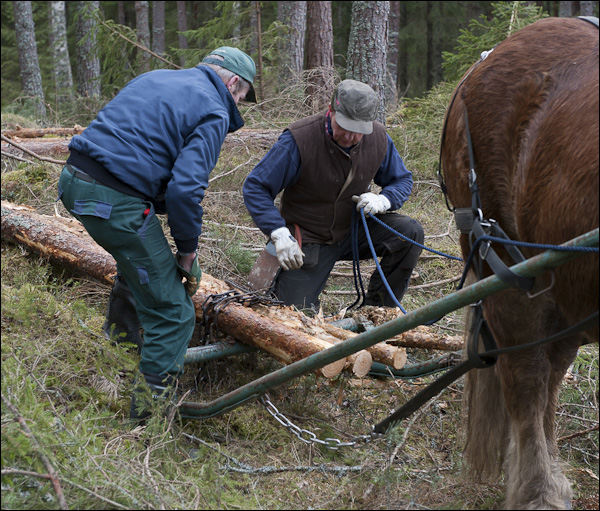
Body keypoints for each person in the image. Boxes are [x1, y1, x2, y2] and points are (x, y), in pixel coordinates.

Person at [57, 47, 257, 422]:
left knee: (140, 268)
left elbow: (136, 148)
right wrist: (187, 253)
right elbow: (185, 190)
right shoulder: (214, 110)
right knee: (173, 312)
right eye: (243, 96)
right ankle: (147, 427)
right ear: (232, 82)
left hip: (73, 180)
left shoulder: (156, 78)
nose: (240, 103)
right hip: (111, 200)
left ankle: (119, 355)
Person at [243, 79, 423, 312]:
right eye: (345, 128)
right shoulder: (300, 139)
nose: (350, 137)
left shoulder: (378, 138)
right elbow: (256, 187)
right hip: (309, 238)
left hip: (354, 230)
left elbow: (402, 179)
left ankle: (379, 311)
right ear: (331, 111)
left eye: (358, 132)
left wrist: (383, 200)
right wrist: (278, 234)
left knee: (409, 233)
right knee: (293, 317)